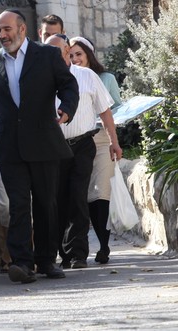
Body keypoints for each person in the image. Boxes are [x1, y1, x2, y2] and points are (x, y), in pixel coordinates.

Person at [0, 9, 79, 284]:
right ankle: (22, 262)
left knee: (46, 203)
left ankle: (46, 260)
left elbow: (68, 85)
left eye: (6, 29)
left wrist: (66, 110)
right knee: (18, 205)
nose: (1, 35)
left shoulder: (46, 55)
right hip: (10, 147)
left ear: (22, 29)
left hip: (43, 143)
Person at [45, 34, 121, 269]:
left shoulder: (87, 76)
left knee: (78, 195)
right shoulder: (42, 79)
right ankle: (61, 253)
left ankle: (78, 253)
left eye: (58, 51)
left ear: (67, 50)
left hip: (83, 145)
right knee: (58, 199)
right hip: (54, 149)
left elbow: (105, 111)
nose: (53, 56)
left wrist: (113, 142)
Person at [70, 36, 123, 264]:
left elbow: (117, 108)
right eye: (71, 55)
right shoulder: (65, 78)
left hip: (102, 140)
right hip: (78, 141)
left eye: (79, 54)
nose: (75, 59)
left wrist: (114, 138)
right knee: (83, 193)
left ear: (89, 55)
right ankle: (75, 247)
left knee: (101, 192)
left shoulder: (105, 78)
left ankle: (103, 245)